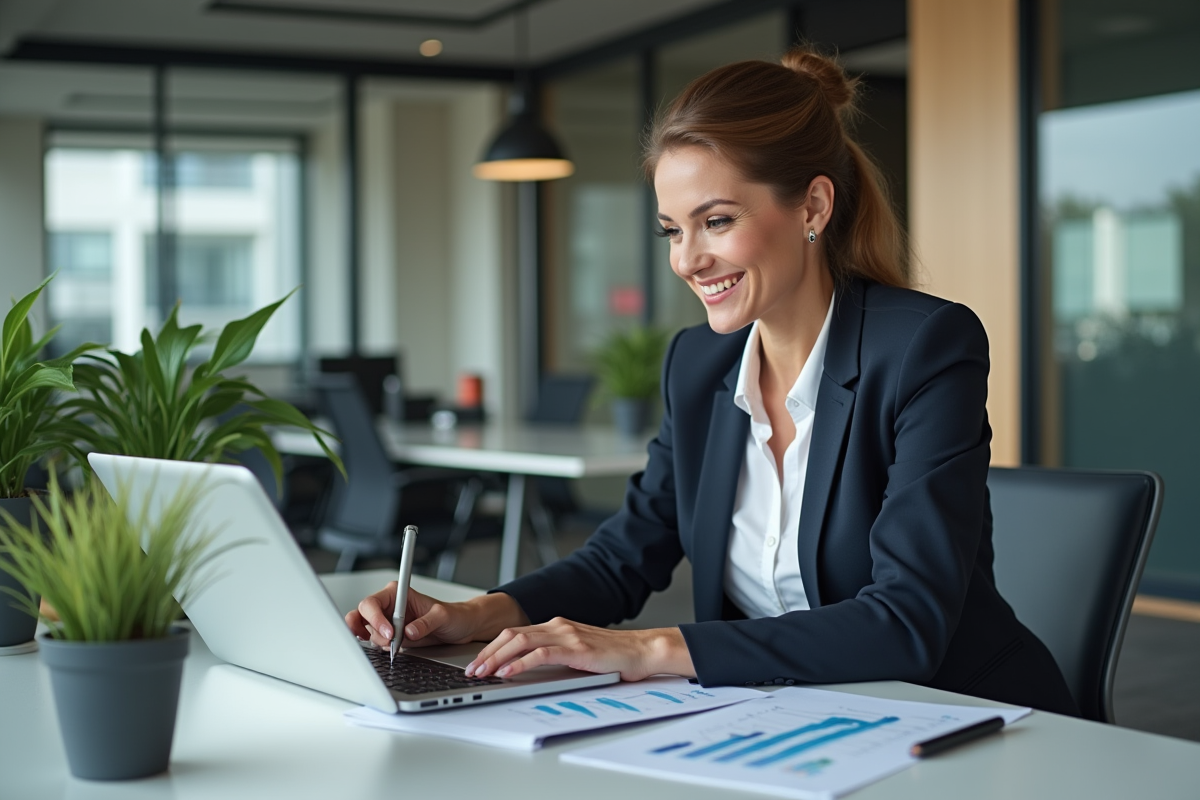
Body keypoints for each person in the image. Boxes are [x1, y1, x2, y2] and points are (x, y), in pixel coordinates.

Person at [347, 48, 1078, 716]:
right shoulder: (699, 364)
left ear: (814, 207)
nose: (688, 260)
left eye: (717, 221)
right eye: (672, 229)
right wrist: (477, 613)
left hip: (957, 715)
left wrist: (651, 649)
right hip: (794, 716)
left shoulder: (924, 347)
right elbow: (625, 555)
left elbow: (908, 619)